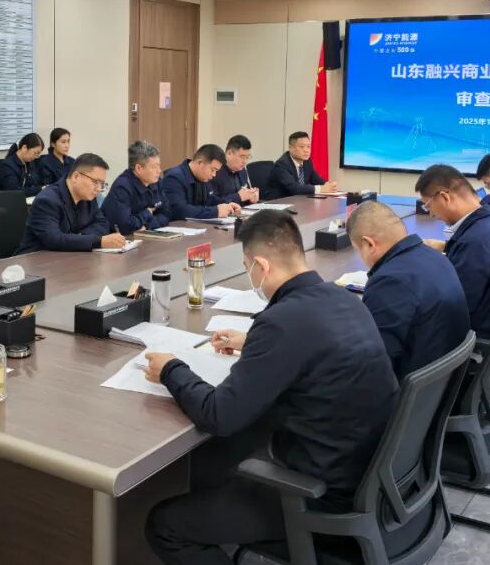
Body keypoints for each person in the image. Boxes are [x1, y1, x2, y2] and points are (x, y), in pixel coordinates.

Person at [143, 210, 398, 563]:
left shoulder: (281, 322)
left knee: (165, 525)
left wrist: (171, 369)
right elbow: (312, 346)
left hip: (318, 495)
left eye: (247, 266)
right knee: (232, 451)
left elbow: (219, 415)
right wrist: (253, 343)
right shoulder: (341, 298)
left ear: (260, 266)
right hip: (364, 474)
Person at [347, 200, 470, 380]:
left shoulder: (390, 282)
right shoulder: (435, 257)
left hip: (413, 389)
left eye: (357, 249)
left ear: (369, 244)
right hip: (445, 380)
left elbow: (375, 365)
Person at [415, 164, 490, 337]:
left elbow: (455, 307)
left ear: (445, 197)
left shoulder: (476, 240)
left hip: (474, 336)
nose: (432, 214)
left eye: (428, 206)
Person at [16, 153, 126, 254]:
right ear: (76, 177)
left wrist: (80, 237)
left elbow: (102, 224)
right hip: (36, 261)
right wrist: (98, 241)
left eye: (102, 184)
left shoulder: (88, 197)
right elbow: (55, 240)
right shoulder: (47, 200)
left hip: (70, 258)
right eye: (95, 182)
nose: (98, 188)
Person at [102, 140, 173, 234]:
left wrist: (146, 226)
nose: (159, 171)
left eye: (159, 166)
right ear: (139, 168)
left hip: (145, 235)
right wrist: (147, 213)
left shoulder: (156, 181)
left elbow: (166, 214)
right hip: (118, 239)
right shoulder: (122, 187)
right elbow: (124, 226)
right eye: (154, 167)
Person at [162, 144, 242, 221]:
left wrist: (227, 205)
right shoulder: (174, 178)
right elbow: (180, 211)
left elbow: (210, 200)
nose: (214, 175)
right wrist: (216, 211)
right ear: (200, 163)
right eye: (213, 170)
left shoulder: (202, 177)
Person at [267, 131, 339, 199]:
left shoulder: (307, 161)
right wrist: (321, 188)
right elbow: (295, 189)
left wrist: (329, 185)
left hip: (299, 201)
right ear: (291, 148)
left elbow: (316, 179)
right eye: (302, 147)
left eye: (308, 146)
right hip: (279, 203)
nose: (306, 150)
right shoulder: (282, 165)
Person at [212, 135, 260, 205]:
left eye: (247, 157)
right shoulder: (214, 172)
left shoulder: (242, 171)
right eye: (242, 157)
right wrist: (238, 197)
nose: (245, 162)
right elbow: (212, 203)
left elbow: (243, 198)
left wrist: (250, 199)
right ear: (229, 153)